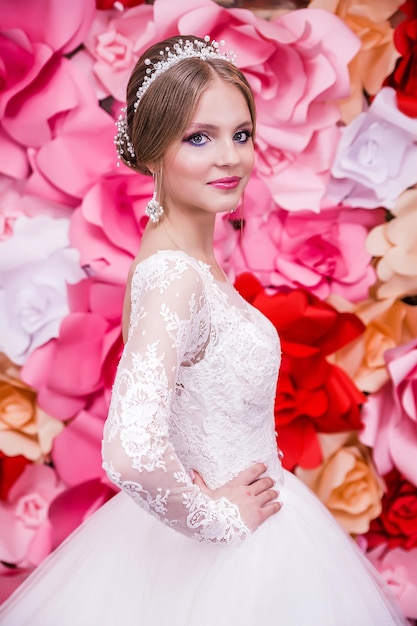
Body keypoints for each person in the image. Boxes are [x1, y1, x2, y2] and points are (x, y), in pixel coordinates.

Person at [0, 35, 409, 626]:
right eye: (199, 137)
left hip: (259, 526)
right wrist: (220, 519)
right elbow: (130, 451)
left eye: (240, 134)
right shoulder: (173, 275)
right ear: (153, 152)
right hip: (231, 547)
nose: (230, 157)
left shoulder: (191, 264)